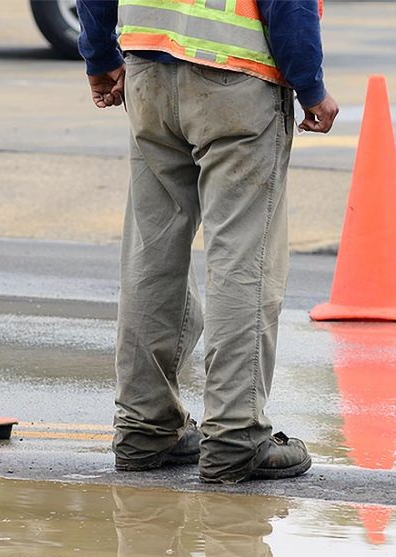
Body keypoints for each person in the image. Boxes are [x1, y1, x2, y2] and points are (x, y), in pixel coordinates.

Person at [77, 0, 339, 483]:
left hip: (147, 71)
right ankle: (237, 436)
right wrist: (310, 84)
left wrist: (98, 54)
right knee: (243, 259)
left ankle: (145, 427)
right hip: (237, 81)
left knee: (150, 255)